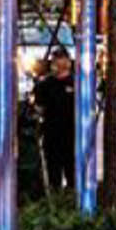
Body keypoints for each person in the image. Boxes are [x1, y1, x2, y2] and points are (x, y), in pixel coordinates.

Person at [35, 49, 77, 192]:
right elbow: (39, 108)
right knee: (54, 172)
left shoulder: (76, 83)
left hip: (72, 135)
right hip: (52, 135)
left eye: (59, 60)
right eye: (54, 61)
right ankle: (56, 195)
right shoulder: (45, 85)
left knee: (72, 172)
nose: (56, 64)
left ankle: (71, 194)